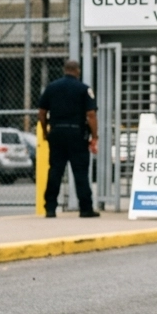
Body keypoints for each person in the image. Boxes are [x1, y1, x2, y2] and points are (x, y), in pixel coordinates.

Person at [36, 60, 99, 218]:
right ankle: (85, 209)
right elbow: (91, 115)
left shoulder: (51, 88)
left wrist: (45, 132)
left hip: (57, 133)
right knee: (80, 172)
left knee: (55, 171)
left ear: (65, 70)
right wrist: (94, 136)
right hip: (77, 134)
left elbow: (42, 113)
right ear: (77, 71)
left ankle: (50, 208)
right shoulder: (84, 89)